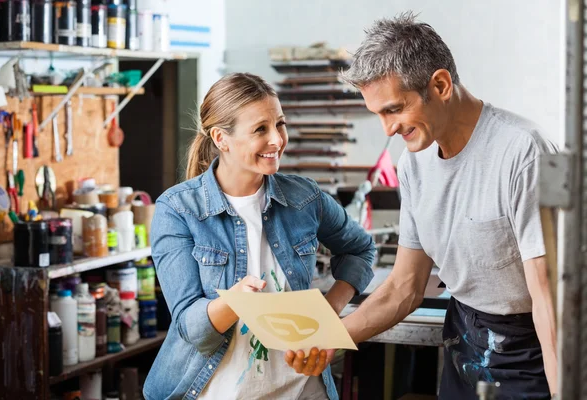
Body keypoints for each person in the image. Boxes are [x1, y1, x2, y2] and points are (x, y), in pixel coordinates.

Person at [286, 12, 558, 399]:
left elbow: (550, 300)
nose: (388, 128)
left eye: (394, 109)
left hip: (530, 352)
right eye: (377, 114)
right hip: (465, 346)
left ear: (441, 85)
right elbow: (404, 287)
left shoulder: (522, 152)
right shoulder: (414, 164)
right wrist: (332, 340)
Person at [143, 72, 375, 400]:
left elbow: (361, 249)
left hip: (302, 390)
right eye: (260, 130)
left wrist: (329, 310)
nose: (277, 140)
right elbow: (193, 330)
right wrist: (235, 302)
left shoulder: (304, 197)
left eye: (280, 124)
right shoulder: (178, 209)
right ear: (221, 138)